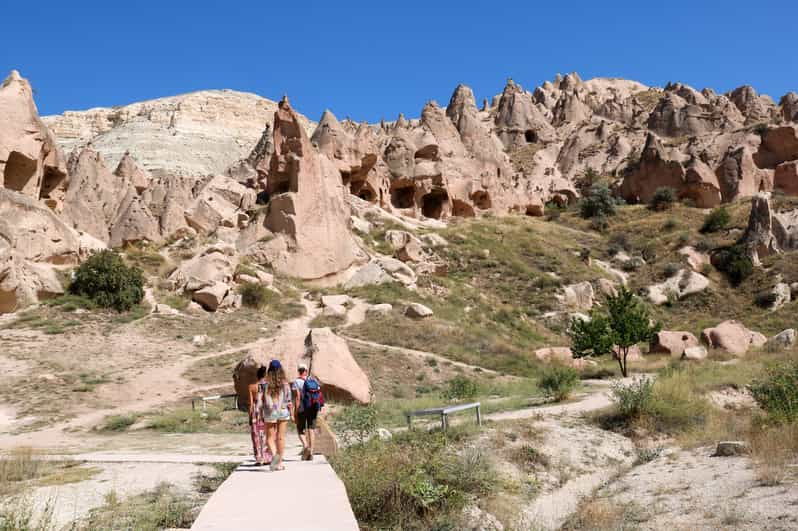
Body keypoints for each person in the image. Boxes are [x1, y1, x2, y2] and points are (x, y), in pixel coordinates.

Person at [262, 359, 294, 471]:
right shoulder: (285, 383)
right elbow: (289, 400)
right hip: (283, 411)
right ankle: (279, 462)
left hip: (270, 412)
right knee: (281, 437)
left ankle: (275, 457)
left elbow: (263, 399)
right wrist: (292, 413)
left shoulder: (265, 383)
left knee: (270, 438)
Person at [292, 363, 324, 461]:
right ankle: (311, 451)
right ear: (306, 371)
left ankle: (306, 445)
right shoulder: (313, 380)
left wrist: (295, 411)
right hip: (312, 407)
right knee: (311, 428)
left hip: (302, 407)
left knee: (300, 428)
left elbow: (297, 398)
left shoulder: (296, 382)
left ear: (299, 371)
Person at [247, 365, 271, 466]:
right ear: (265, 375)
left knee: (256, 435)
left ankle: (259, 458)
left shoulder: (251, 387)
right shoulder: (269, 385)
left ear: (257, 376)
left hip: (256, 413)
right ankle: (267, 457)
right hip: (267, 412)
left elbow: (251, 403)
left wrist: (250, 416)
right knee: (266, 434)